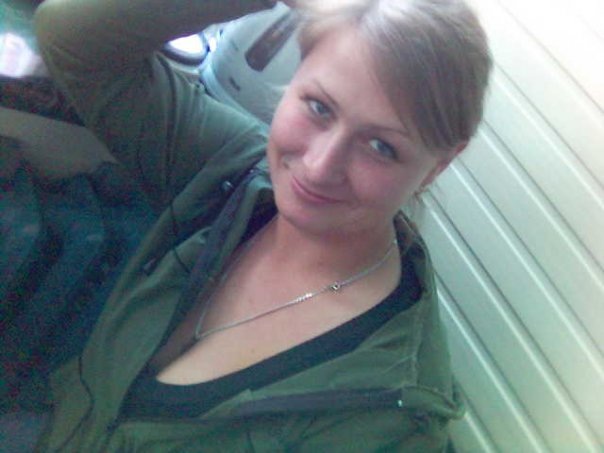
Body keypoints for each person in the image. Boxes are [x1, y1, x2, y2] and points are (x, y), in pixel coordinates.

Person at [32, 0, 491, 450]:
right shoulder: (231, 166)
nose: (318, 167)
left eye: (381, 147)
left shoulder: (388, 420)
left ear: (437, 166)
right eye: (319, 107)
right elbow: (70, 37)